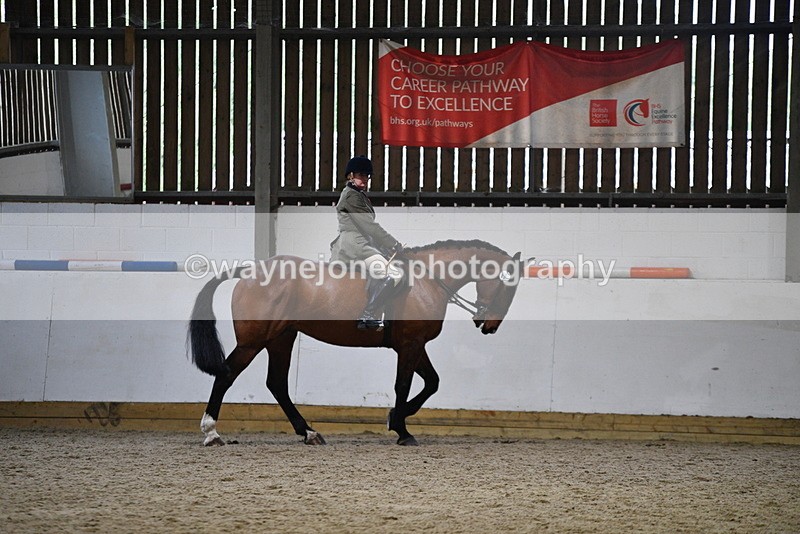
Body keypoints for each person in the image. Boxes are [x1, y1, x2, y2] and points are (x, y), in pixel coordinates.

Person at [330, 155, 404, 330]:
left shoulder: (358, 195)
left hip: (359, 242)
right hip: (355, 246)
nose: (364, 179)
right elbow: (369, 226)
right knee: (394, 274)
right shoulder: (351, 196)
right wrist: (392, 244)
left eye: (366, 176)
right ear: (350, 175)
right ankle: (368, 315)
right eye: (360, 175)